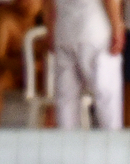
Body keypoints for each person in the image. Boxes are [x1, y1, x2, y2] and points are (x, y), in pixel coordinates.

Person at [44, 0, 124, 129]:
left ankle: (66, 140)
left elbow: (47, 3)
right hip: (96, 31)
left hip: (63, 31)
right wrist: (117, 26)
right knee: (107, 98)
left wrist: (50, 28)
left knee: (66, 99)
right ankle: (112, 140)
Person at [0, 0, 44, 126]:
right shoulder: (5, 16)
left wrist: (38, 66)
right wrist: (24, 66)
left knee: (58, 80)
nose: (27, 3)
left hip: (41, 75)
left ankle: (52, 132)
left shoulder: (50, 16)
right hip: (15, 72)